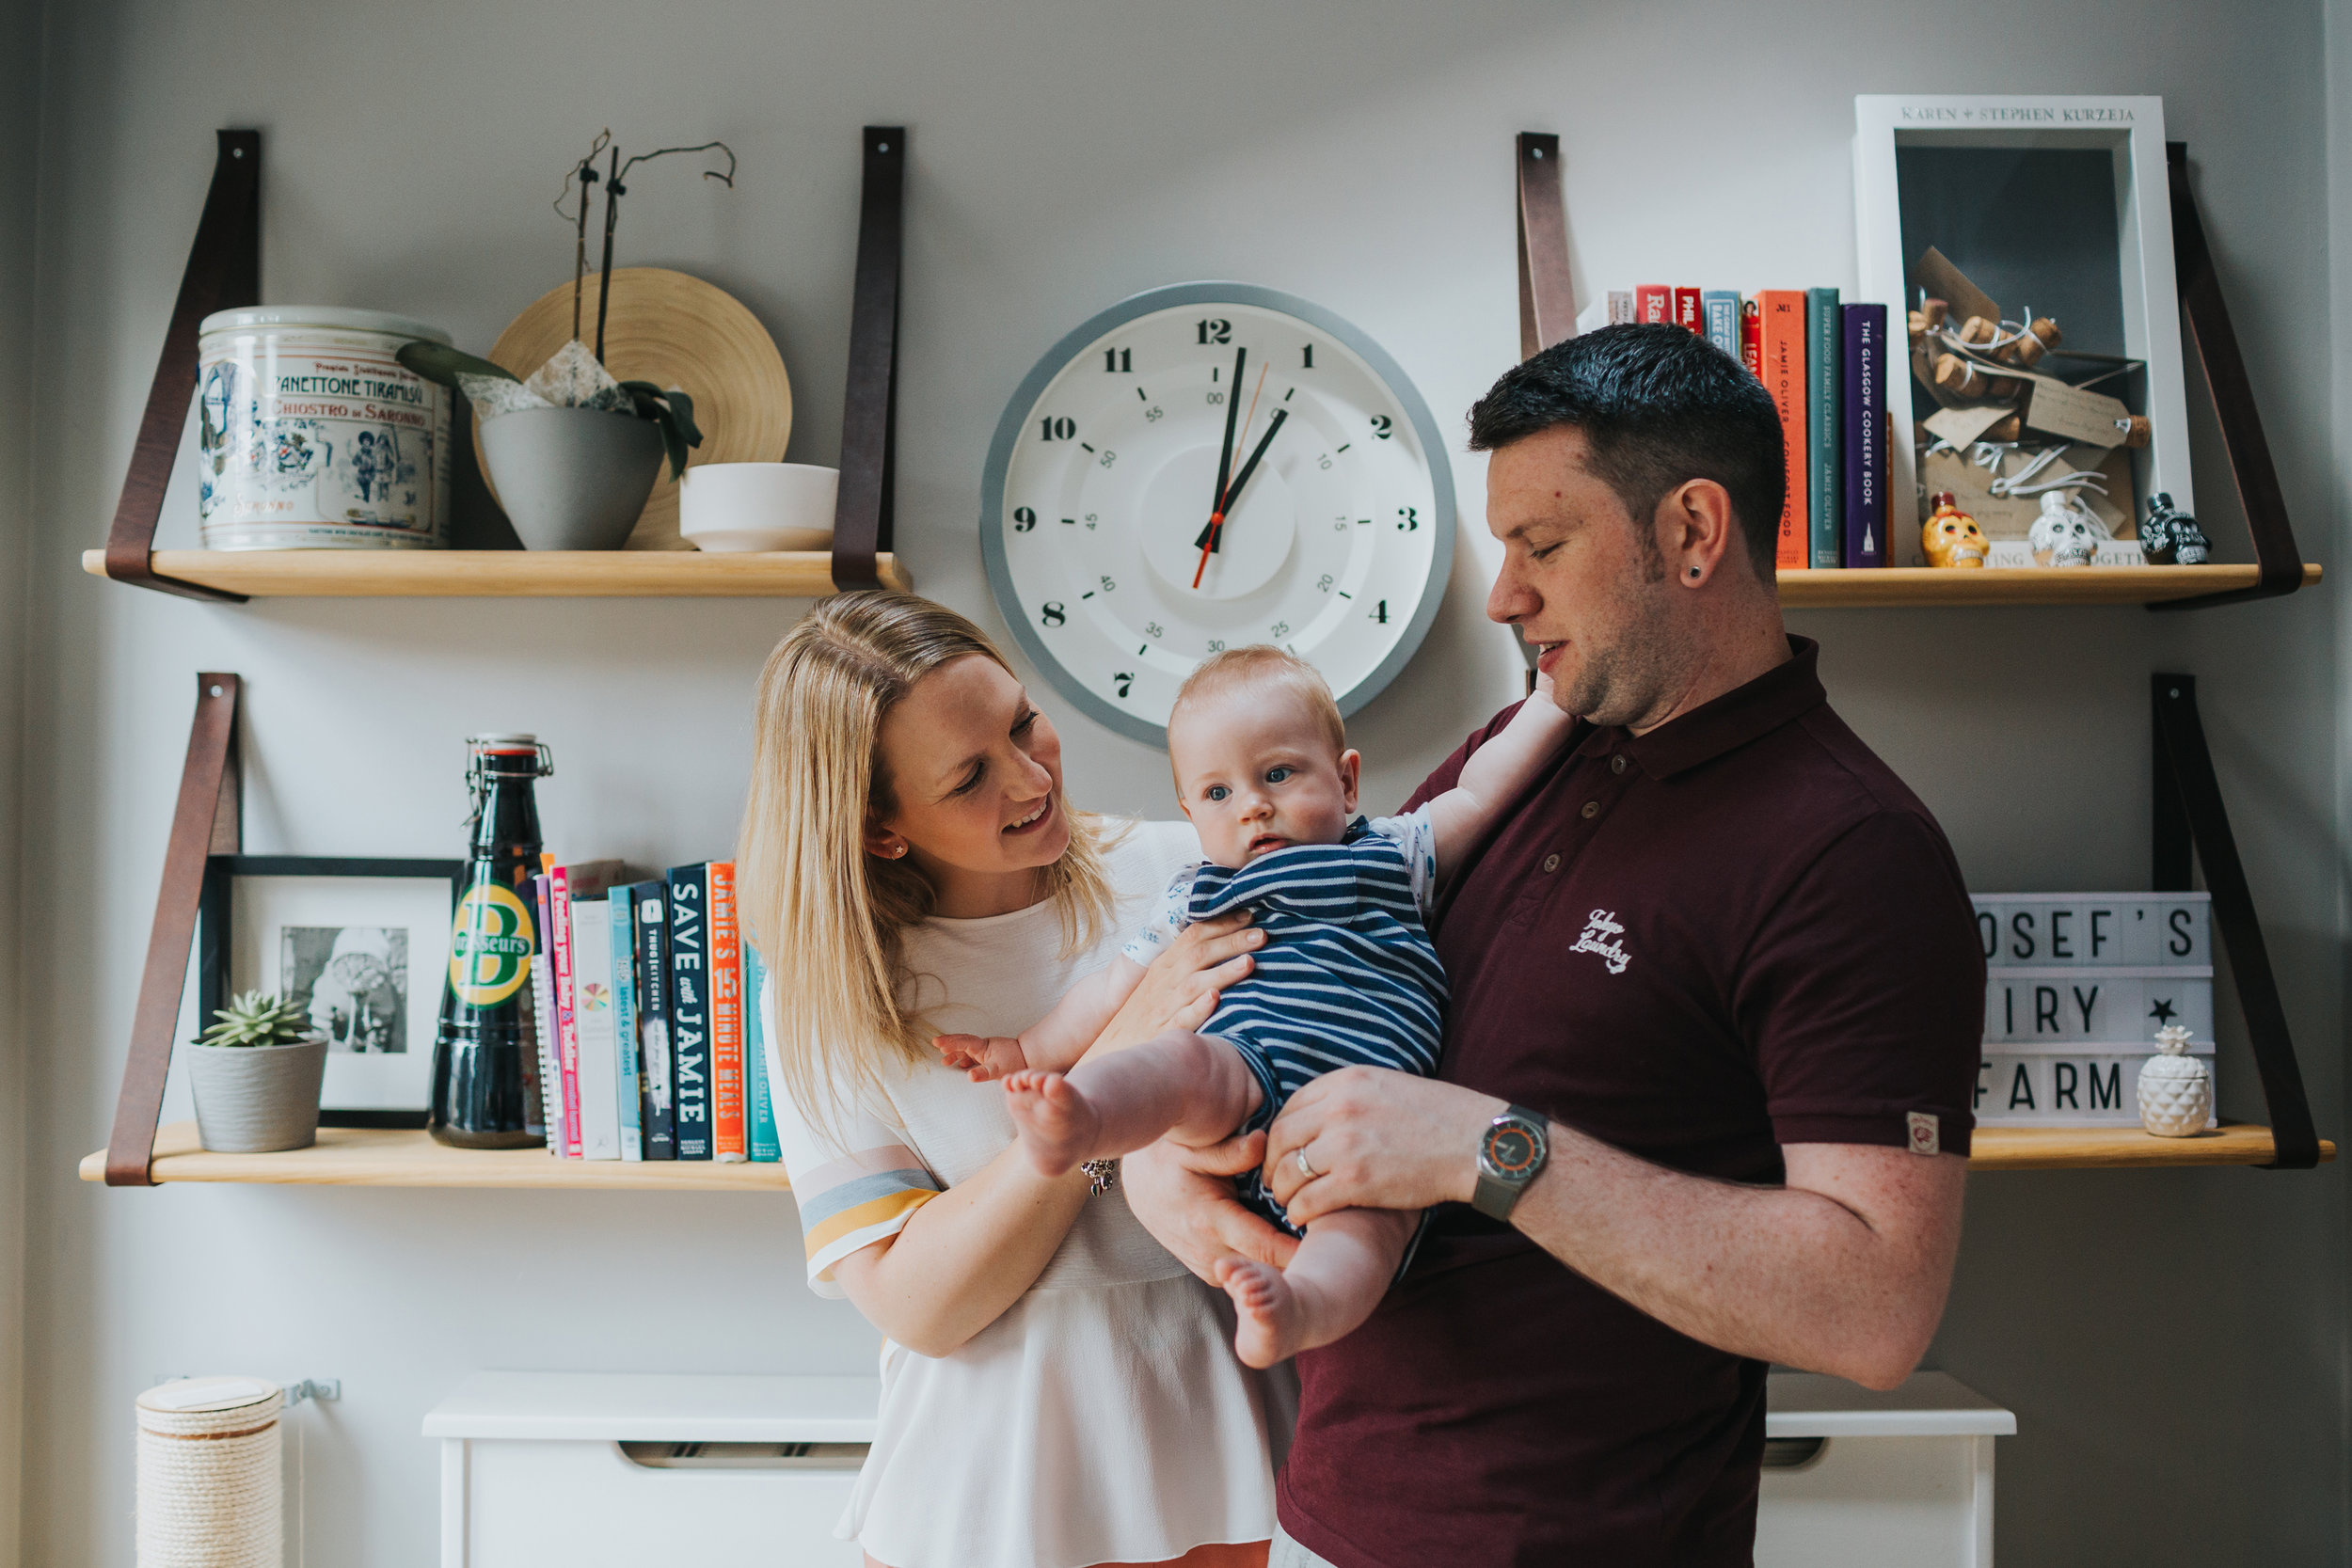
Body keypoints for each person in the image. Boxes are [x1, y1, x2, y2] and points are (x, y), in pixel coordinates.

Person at [1123, 323, 1985, 1567]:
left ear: (1693, 532)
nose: (1501, 593)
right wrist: (1163, 1169)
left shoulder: (1853, 853)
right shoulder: (1518, 755)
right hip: (1324, 1515)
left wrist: (1488, 1146)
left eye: (1544, 543)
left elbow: (1876, 1305)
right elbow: (1293, 993)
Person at [739, 593, 1295, 1568]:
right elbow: (920, 1303)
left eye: (1022, 720)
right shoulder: (831, 996)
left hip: (1241, 1423)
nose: (1032, 775)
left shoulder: (1185, 867)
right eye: (969, 777)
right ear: (879, 829)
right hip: (994, 1485)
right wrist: (1111, 1077)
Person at [936, 645, 1572, 1368]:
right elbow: (1115, 991)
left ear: (1346, 779)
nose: (1252, 805)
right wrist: (1023, 1053)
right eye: (1217, 794)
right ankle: (1084, 1120)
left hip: (1373, 1120)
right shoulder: (1196, 894)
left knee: (1370, 1228)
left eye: (1277, 774)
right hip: (1245, 1068)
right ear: (1189, 812)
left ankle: (1300, 1308)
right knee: (1177, 1062)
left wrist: (1551, 704)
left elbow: (1479, 794)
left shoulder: (1394, 851)